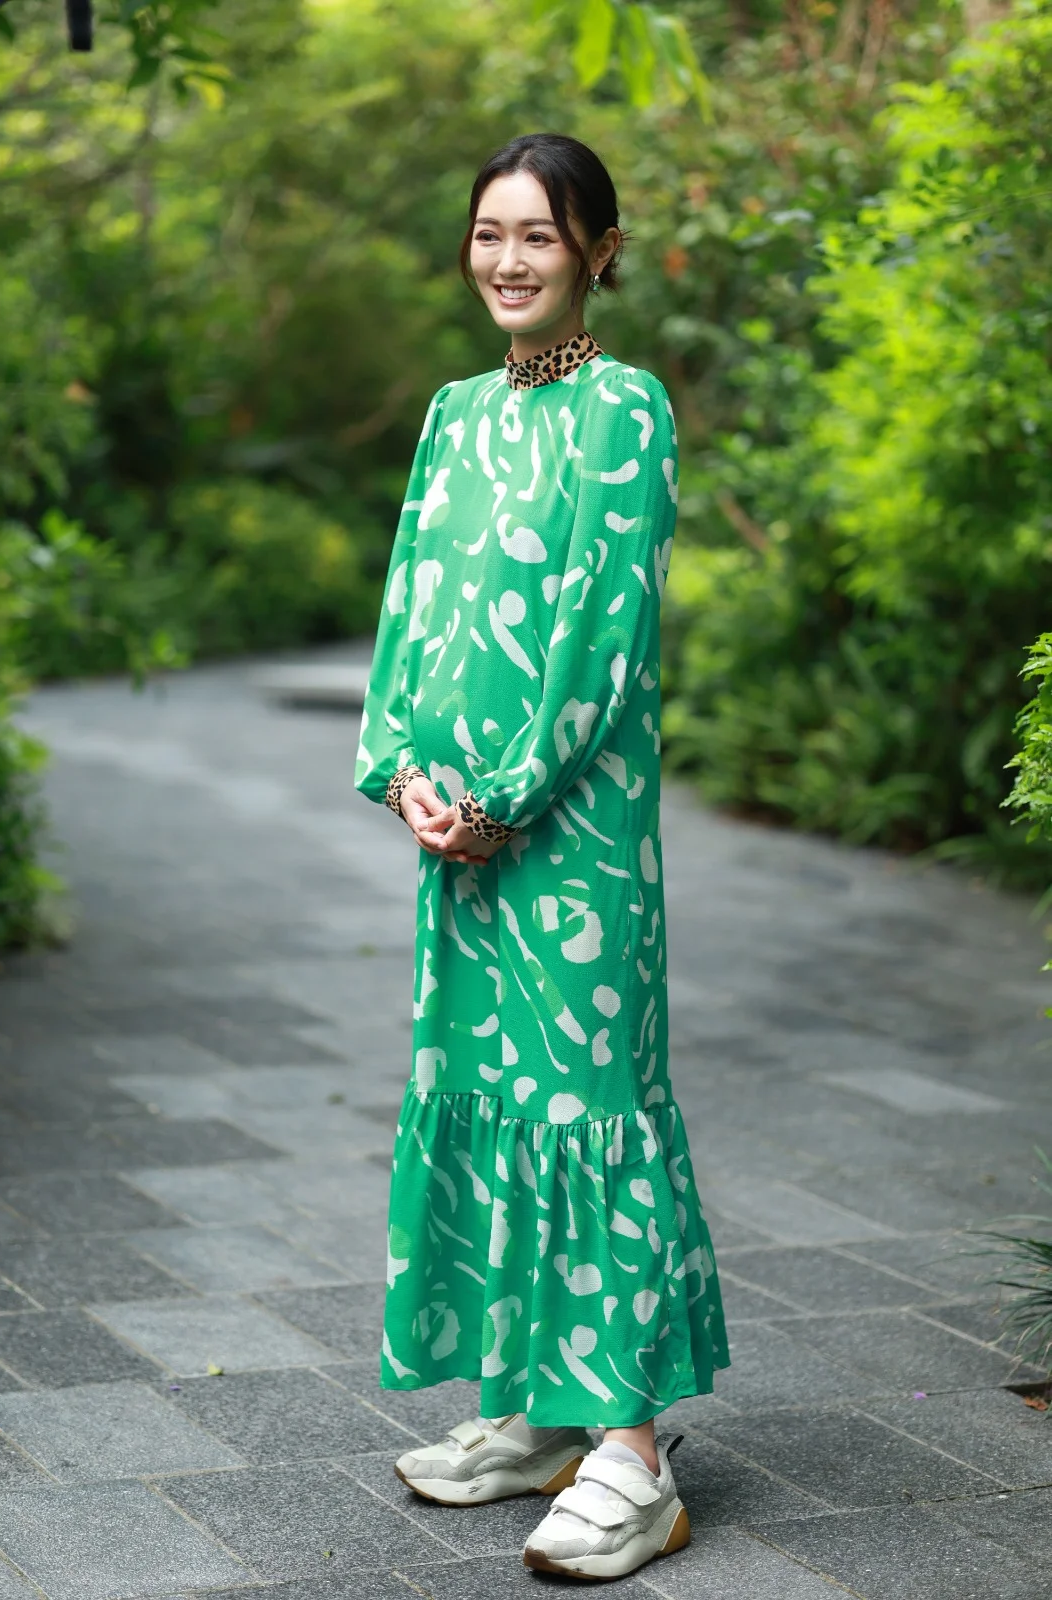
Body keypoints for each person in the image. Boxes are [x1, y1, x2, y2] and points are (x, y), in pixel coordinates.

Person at [355, 131, 728, 1582]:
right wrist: (404, 774)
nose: (508, 261)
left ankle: (631, 1452)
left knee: (584, 1102)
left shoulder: (624, 409)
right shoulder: (454, 415)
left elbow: (603, 631)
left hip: (572, 836)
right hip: (456, 833)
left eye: (540, 237)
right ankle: (541, 1409)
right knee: (493, 1092)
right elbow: (409, 601)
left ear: (597, 255)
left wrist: (507, 794)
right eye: (488, 233)